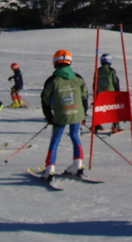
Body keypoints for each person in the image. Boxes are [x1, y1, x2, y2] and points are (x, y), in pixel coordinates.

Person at [40, 49, 88, 181]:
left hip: (61, 114)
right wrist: (84, 114)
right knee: (75, 136)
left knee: (55, 140)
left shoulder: (53, 80)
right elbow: (84, 97)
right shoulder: (78, 78)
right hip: (77, 113)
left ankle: (50, 169)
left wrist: (49, 116)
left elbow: (45, 99)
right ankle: (78, 164)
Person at [94, 53, 121, 133]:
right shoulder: (111, 71)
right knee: (113, 109)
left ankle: (96, 125)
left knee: (99, 109)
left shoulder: (98, 71)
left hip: (100, 94)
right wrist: (117, 93)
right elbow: (116, 82)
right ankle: (115, 125)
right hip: (110, 94)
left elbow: (94, 83)